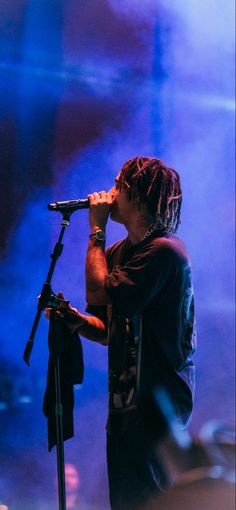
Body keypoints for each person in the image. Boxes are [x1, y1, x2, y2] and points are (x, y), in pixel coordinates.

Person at [50, 156, 196, 510]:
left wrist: (95, 230)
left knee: (148, 500)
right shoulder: (121, 253)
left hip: (157, 403)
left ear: (139, 195)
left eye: (118, 186)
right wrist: (78, 321)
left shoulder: (164, 251)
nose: (109, 193)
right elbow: (107, 327)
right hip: (125, 403)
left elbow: (98, 291)